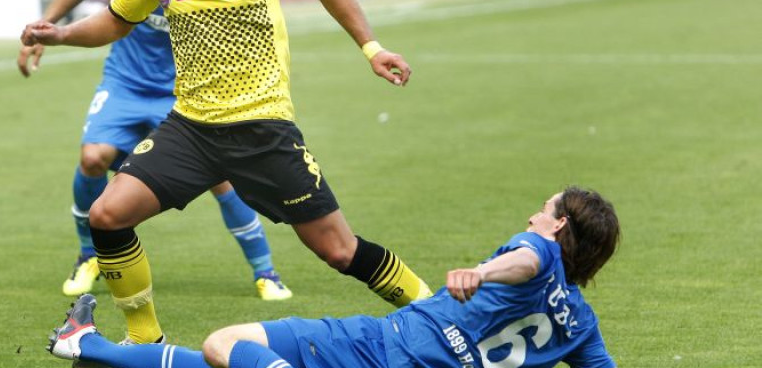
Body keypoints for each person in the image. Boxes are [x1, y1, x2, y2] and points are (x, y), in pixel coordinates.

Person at [22, 0, 432, 346]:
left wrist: (372, 48)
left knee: (339, 251)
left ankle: (438, 313)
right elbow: (116, 21)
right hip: (190, 129)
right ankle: (145, 339)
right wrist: (61, 34)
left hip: (263, 130)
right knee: (107, 216)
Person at [18, 0, 293, 304]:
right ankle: (88, 256)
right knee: (92, 157)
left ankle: (265, 271)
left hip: (186, 86)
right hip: (127, 81)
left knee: (221, 178)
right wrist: (48, 24)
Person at [49, 186, 621, 368]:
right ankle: (85, 344)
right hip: (390, 343)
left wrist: (482, 269)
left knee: (224, 343)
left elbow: (526, 257)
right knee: (229, 361)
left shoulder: (538, 251)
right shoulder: (582, 324)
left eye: (544, 211)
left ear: (559, 226)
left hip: (384, 347)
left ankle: (85, 344)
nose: (531, 216)